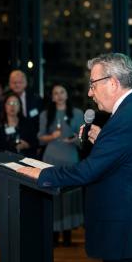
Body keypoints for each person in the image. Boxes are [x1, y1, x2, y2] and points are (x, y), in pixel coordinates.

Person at [18, 53, 132, 262]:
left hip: (130, 238)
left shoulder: (126, 119)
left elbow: (88, 171)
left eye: (93, 84)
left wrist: (41, 174)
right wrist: (104, 140)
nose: (90, 93)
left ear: (112, 83)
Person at [38, 83, 84, 246]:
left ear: (67, 94)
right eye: (55, 93)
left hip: (70, 157)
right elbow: (40, 138)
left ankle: (68, 234)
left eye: (61, 92)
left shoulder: (78, 113)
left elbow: (82, 139)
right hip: (51, 158)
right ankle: (54, 233)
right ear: (52, 96)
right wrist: (52, 136)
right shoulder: (45, 114)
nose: (58, 95)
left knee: (69, 196)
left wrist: (74, 139)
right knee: (53, 196)